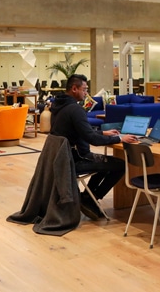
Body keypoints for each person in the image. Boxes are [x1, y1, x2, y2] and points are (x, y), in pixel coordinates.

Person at [50, 74, 138, 220]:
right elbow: (93, 140)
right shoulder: (75, 109)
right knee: (120, 165)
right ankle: (90, 198)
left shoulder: (59, 106)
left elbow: (78, 130)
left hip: (63, 158)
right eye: (84, 90)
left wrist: (103, 132)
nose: (86, 93)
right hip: (75, 160)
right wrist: (120, 138)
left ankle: (88, 197)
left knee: (105, 163)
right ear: (74, 88)